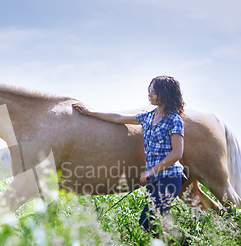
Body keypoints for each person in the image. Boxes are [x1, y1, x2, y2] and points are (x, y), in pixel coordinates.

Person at [73, 75, 185, 231]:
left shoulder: (174, 120)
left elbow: (177, 153)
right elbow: (118, 117)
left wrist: (150, 171)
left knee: (148, 222)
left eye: (153, 92)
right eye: (150, 91)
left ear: (164, 94)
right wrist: (90, 112)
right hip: (154, 180)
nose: (149, 95)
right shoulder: (149, 116)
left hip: (169, 178)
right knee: (155, 223)